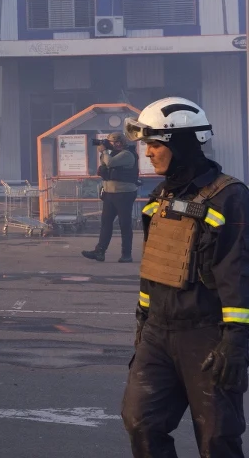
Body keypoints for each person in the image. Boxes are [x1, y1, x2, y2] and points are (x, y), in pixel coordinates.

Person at [120, 97, 249, 458]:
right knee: (141, 422)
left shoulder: (230, 198)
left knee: (217, 438)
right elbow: (154, 269)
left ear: (181, 144)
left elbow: (238, 272)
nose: (148, 153)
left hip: (207, 336)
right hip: (158, 334)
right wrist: (144, 322)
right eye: (147, 145)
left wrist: (235, 340)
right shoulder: (161, 197)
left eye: (155, 144)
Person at [82, 131, 140, 263]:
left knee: (124, 224)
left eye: (116, 142)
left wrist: (104, 151)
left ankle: (126, 254)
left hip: (124, 194)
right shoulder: (112, 153)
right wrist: (105, 152)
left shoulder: (127, 154)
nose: (114, 144)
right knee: (106, 224)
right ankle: (100, 252)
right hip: (110, 194)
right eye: (112, 142)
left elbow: (110, 163)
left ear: (122, 142)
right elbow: (104, 166)